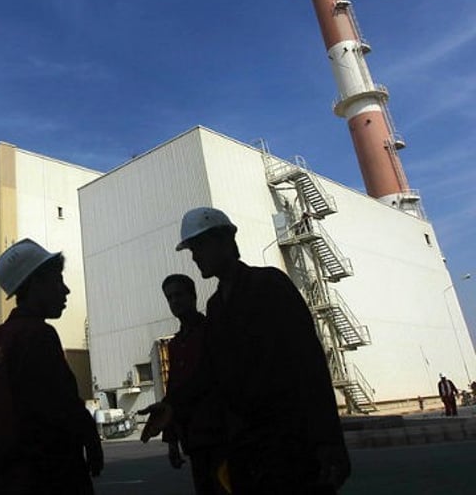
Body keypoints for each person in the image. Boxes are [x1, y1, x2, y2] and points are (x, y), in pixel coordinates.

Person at [141, 207, 350, 494]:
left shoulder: (269, 286)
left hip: (290, 440)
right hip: (247, 446)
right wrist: (173, 405)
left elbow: (309, 364)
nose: (195, 256)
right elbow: (210, 371)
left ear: (225, 241)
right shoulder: (216, 306)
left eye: (199, 246)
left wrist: (328, 441)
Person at [0, 238, 103, 495]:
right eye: (57, 280)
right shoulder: (38, 335)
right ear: (35, 284)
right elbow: (60, 404)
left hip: (4, 478)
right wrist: (90, 438)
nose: (65, 290)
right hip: (45, 477)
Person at [147, 273, 227, 494]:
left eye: (179, 295)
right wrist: (172, 440)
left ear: (193, 296)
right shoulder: (175, 345)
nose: (175, 301)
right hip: (193, 438)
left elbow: (213, 378)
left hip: (220, 434)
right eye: (170, 297)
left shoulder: (211, 331)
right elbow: (173, 388)